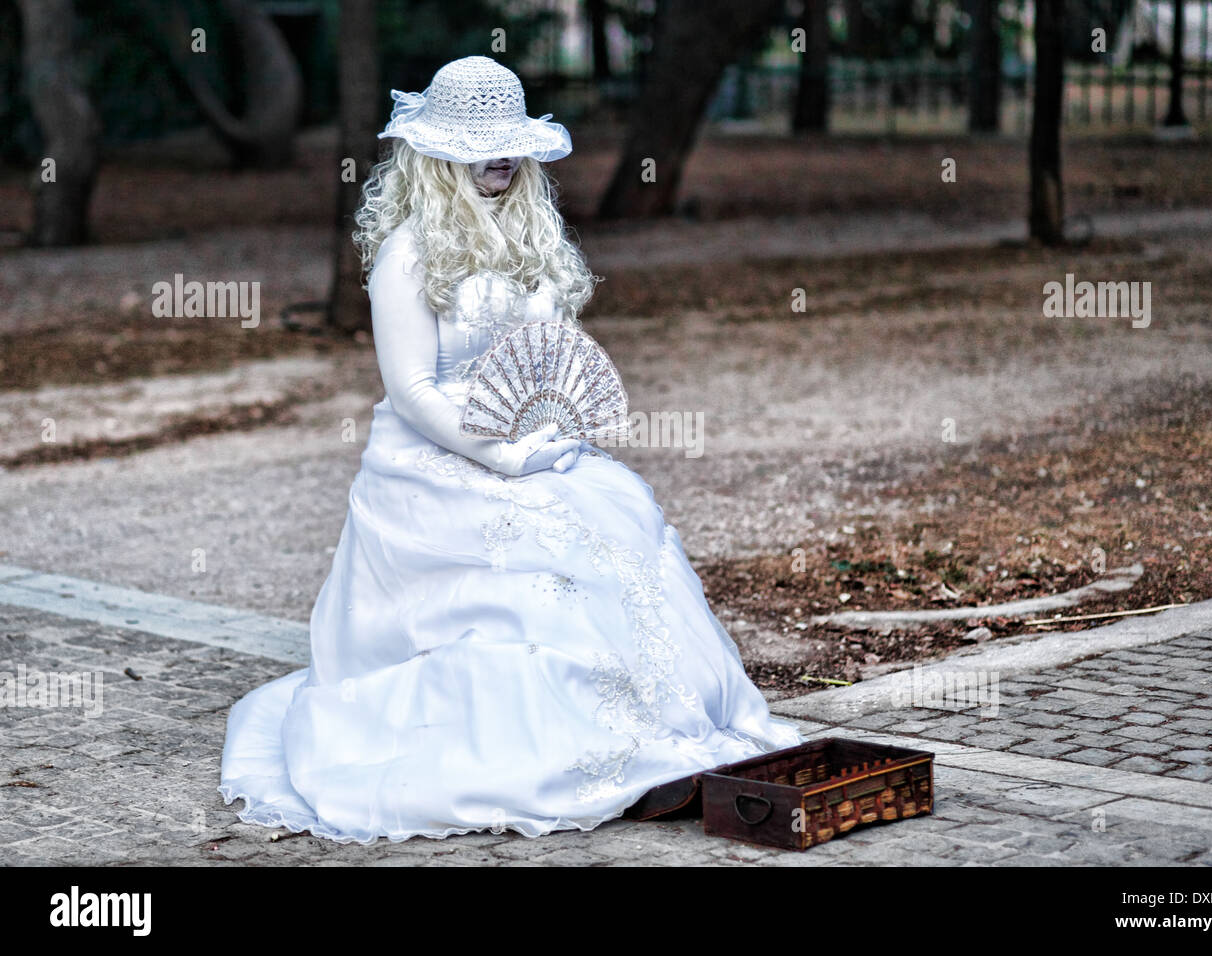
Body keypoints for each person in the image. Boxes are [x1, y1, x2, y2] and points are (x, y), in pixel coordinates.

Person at [219, 55, 804, 843]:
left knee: (615, 528)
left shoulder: (533, 235)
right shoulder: (408, 253)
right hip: (437, 461)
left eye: (507, 141)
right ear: (439, 152)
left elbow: (554, 353)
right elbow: (413, 392)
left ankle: (655, 736)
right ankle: (565, 755)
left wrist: (551, 433)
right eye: (477, 141)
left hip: (537, 441)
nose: (498, 156)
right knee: (527, 581)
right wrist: (502, 458)